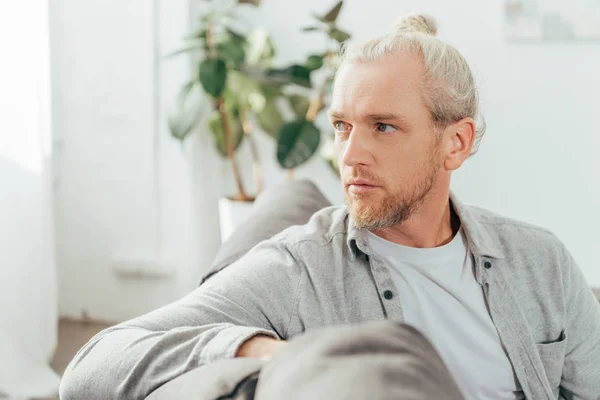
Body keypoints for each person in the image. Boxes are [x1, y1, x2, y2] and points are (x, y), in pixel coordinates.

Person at [60, 13, 600, 400]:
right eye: (341, 126)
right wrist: (266, 353)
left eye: (382, 127)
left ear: (454, 143)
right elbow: (90, 367)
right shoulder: (299, 269)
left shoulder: (540, 262)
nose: (349, 154)